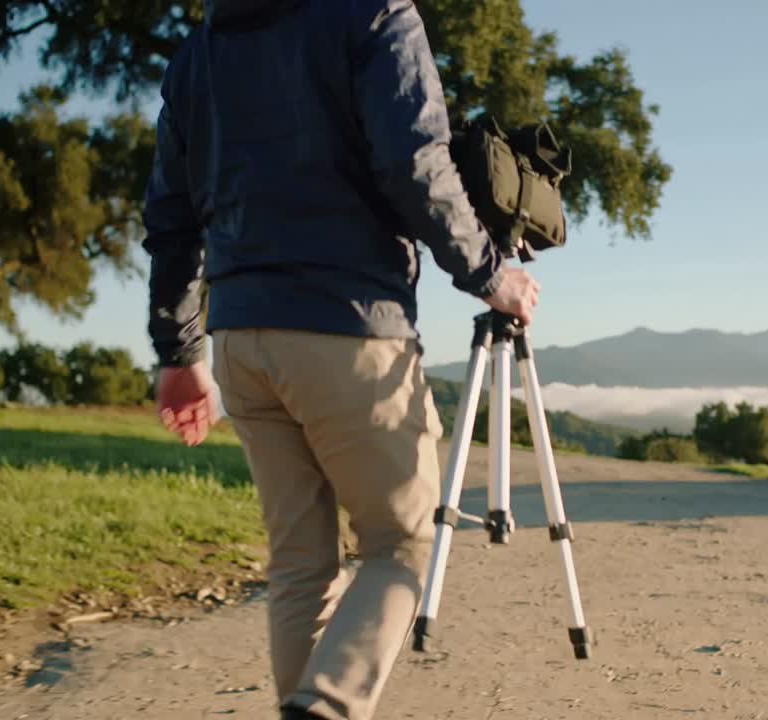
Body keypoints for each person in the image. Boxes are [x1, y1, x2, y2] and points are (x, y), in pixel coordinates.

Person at [140, 1, 541, 718]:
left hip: (240, 339)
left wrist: (178, 349)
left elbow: (171, 216)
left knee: (301, 566)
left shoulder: (198, 52)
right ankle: (326, 705)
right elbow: (414, 161)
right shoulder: (376, 13)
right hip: (348, 328)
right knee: (406, 543)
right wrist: (489, 273)